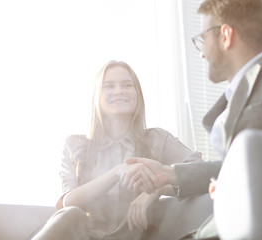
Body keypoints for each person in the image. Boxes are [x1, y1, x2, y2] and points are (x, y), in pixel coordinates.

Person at [121, 0, 262, 239]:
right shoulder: (233, 100)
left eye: (203, 39)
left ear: (226, 35)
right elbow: (250, 163)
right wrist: (170, 174)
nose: (201, 52)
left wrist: (244, 188)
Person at [31, 60, 204, 240]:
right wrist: (118, 171)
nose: (118, 91)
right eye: (109, 86)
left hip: (136, 235)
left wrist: (156, 189)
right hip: (84, 236)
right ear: (98, 97)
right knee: (71, 214)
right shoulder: (75, 145)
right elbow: (69, 203)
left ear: (138, 95)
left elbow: (199, 173)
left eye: (127, 85)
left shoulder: (158, 139)